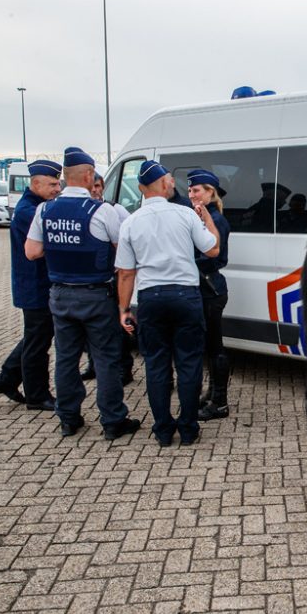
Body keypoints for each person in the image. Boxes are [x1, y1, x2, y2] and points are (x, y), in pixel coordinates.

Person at [25, 146, 140, 440]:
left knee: (65, 358)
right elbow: (122, 251)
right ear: (89, 175)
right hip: (95, 295)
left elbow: (32, 251)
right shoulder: (101, 211)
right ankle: (113, 420)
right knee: (106, 358)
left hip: (60, 295)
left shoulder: (44, 210)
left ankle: (68, 418)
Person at [115, 161, 220, 447]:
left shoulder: (131, 221)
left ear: (140, 189)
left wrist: (124, 310)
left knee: (157, 366)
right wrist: (207, 217)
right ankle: (188, 427)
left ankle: (163, 430)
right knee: (189, 363)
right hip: (186, 297)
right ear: (164, 185)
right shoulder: (185, 214)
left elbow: (125, 273)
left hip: (151, 298)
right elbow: (212, 248)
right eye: (170, 180)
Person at [0, 160, 61, 411]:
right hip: (35, 286)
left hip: (35, 284)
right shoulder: (31, 211)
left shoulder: (35, 205)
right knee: (38, 343)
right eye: (51, 184)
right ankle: (37, 395)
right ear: (36, 183)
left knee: (35, 337)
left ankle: (6, 378)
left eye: (58, 183)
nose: (57, 188)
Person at [79, 172, 135, 385]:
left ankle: (125, 369)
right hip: (93, 278)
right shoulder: (84, 211)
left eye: (99, 186)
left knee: (116, 328)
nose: (95, 190)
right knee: (90, 328)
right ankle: (93, 365)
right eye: (92, 186)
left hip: (113, 276)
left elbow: (128, 238)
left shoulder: (115, 209)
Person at [186, 169, 232, 421]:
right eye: (190, 190)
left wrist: (184, 262)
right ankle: (212, 393)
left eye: (197, 190)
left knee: (215, 347)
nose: (192, 194)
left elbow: (214, 256)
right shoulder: (201, 216)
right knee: (210, 347)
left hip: (210, 289)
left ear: (211, 192)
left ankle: (220, 402)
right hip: (204, 288)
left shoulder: (216, 220)